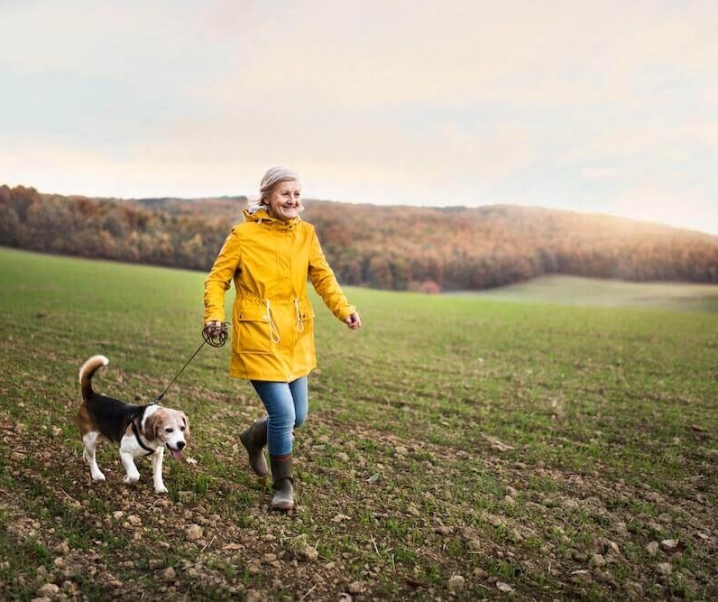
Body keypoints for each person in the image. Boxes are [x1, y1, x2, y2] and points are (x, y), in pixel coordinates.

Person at [203, 166, 361, 511]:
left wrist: (344, 308)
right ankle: (283, 486)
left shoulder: (307, 234)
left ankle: (252, 438)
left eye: (297, 194)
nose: (293, 200)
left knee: (298, 416)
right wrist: (213, 315)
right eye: (285, 194)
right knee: (284, 415)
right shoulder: (242, 235)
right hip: (258, 333)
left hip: (296, 334)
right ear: (267, 198)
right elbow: (217, 280)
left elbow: (323, 278)